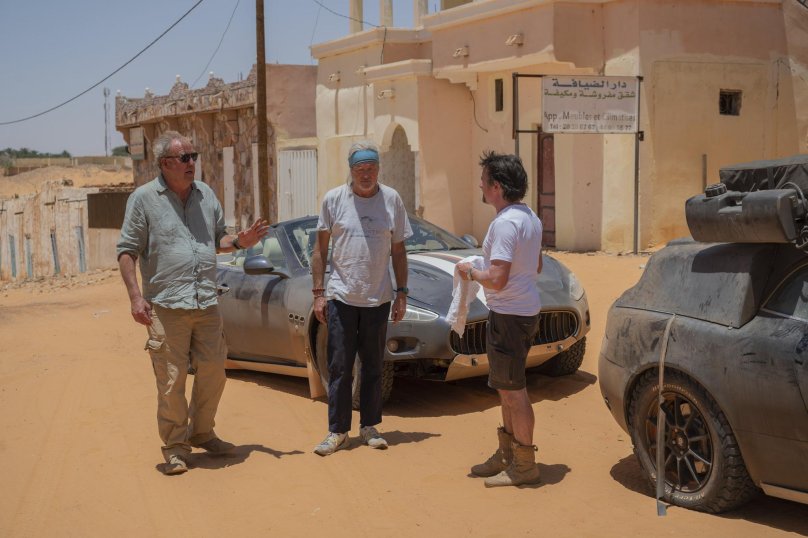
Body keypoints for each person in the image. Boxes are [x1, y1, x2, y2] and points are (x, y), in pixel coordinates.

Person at [117, 131, 269, 475]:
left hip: (206, 301)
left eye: (193, 156)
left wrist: (240, 241)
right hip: (166, 305)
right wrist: (135, 297)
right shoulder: (143, 199)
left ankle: (202, 432)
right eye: (184, 158)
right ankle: (175, 447)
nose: (192, 163)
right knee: (172, 380)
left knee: (215, 370)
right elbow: (127, 250)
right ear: (165, 163)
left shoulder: (206, 195)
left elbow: (218, 239)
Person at [310, 141, 412, 456]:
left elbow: (399, 250)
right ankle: (338, 431)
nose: (366, 175)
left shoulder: (392, 200)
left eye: (371, 169)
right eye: (360, 169)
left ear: (378, 169)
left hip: (378, 298)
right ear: (351, 171)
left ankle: (369, 427)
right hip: (341, 297)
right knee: (340, 366)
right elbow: (320, 250)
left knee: (372, 367)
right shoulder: (333, 200)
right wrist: (318, 293)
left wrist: (401, 293)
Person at [456, 151, 543, 488]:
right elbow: (535, 265)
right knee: (507, 389)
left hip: (509, 315)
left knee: (514, 392)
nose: (480, 185)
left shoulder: (505, 224)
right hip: (522, 312)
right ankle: (508, 455)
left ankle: (524, 464)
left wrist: (470, 272)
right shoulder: (530, 218)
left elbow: (496, 279)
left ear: (496, 187)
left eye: (484, 180)